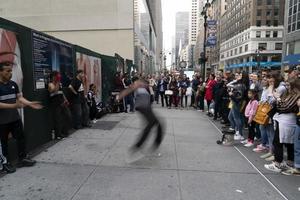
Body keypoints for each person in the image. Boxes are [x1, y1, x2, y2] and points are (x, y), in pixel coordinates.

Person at [0, 57, 42, 172]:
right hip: (2, 121)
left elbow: (19, 98)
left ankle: (22, 159)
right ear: (0, 72)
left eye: (11, 71)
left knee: (21, 137)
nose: (10, 73)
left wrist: (30, 103)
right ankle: (5, 163)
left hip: (14, 118)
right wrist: (13, 106)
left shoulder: (13, 84)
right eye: (7, 71)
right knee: (3, 143)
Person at [117, 78, 164, 155]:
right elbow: (128, 90)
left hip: (146, 107)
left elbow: (152, 86)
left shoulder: (145, 87)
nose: (146, 85)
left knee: (156, 124)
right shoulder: (138, 84)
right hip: (142, 107)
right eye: (145, 83)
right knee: (153, 124)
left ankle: (152, 144)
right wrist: (119, 96)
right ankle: (138, 146)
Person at [264, 78, 300, 173]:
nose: (287, 87)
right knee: (286, 142)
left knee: (279, 142)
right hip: (284, 120)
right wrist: (279, 101)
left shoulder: (296, 95)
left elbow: (284, 107)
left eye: (289, 85)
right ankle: (287, 162)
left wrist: (278, 98)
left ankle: (278, 163)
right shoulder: (291, 94)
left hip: (287, 121)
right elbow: (280, 106)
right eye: (286, 85)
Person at [48, 71, 71, 139]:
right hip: (55, 104)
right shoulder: (50, 84)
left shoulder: (59, 83)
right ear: (53, 77)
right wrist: (57, 82)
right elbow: (54, 91)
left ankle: (65, 131)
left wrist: (65, 99)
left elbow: (61, 92)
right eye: (57, 75)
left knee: (68, 116)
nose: (59, 76)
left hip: (62, 102)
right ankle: (58, 135)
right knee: (58, 119)